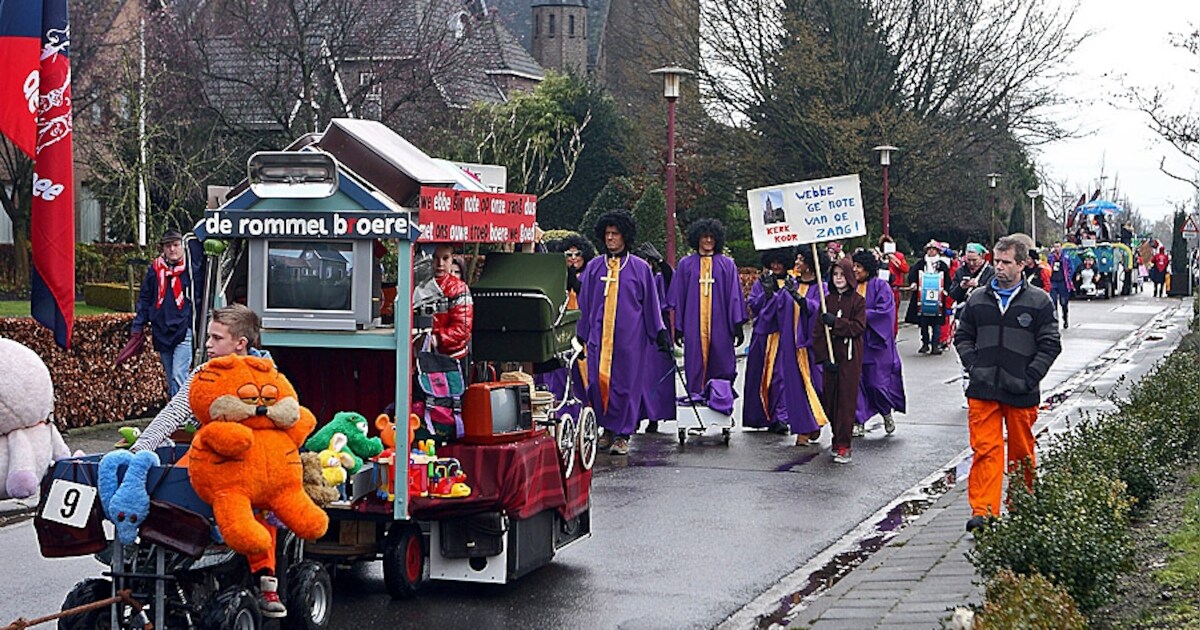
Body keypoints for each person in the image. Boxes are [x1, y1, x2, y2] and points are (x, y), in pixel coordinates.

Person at [129, 304, 287, 615]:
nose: (208, 346)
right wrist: (139, 451)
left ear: (240, 343)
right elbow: (173, 413)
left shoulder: (268, 378)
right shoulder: (204, 374)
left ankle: (266, 582)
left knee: (260, 512)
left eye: (216, 339)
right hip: (208, 453)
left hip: (251, 462)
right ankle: (162, 556)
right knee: (168, 485)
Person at [954, 235, 1061, 533]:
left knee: (1021, 452)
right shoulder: (978, 298)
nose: (999, 267)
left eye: (1005, 262)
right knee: (985, 450)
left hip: (1020, 390)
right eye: (996, 261)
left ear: (1022, 264)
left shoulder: (1038, 301)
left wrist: (1031, 376)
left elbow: (1050, 344)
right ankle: (984, 512)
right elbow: (962, 336)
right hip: (983, 388)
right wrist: (974, 366)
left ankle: (1022, 505)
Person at [576, 210, 669, 456]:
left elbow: (651, 303)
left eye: (615, 234)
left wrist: (658, 332)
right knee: (597, 383)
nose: (610, 238)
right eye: (606, 234)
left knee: (626, 387)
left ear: (625, 236)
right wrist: (580, 334)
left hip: (630, 340)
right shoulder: (594, 267)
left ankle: (623, 434)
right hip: (598, 338)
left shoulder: (640, 268)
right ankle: (606, 429)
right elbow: (584, 304)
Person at [743, 248, 828, 441]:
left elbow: (819, 310)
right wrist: (768, 294)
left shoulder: (812, 285)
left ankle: (806, 420)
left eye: (780, 262)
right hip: (771, 338)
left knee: (802, 381)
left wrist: (798, 298)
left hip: (800, 342)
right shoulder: (776, 282)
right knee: (774, 378)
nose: (775, 266)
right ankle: (779, 418)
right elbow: (765, 310)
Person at [668, 219, 747, 401]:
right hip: (693, 324)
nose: (708, 241)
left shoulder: (727, 265)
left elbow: (734, 295)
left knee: (722, 363)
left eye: (712, 237)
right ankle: (696, 400)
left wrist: (737, 325)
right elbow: (679, 297)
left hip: (720, 325)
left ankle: (720, 399)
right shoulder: (686, 265)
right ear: (697, 238)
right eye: (704, 237)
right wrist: (678, 327)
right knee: (694, 363)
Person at [131, 229, 203, 397]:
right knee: (171, 376)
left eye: (176, 245)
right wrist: (138, 325)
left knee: (179, 374)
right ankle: (174, 414)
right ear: (163, 248)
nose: (172, 249)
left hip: (183, 328)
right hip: (161, 329)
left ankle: (182, 418)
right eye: (168, 246)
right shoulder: (155, 270)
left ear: (182, 246)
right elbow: (145, 298)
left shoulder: (191, 269)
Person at [813, 258, 866, 463]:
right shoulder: (827, 301)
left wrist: (836, 323)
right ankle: (836, 439)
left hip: (849, 357)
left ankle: (844, 444)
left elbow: (858, 327)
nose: (838, 279)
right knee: (831, 399)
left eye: (842, 275)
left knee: (845, 400)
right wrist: (824, 358)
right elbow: (818, 333)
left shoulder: (858, 301)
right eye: (835, 275)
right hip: (831, 357)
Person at [851, 250, 905, 437]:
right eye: (854, 266)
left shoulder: (881, 286)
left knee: (876, 383)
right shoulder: (849, 287)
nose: (855, 270)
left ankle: (885, 411)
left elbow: (885, 313)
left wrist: (859, 317)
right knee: (855, 383)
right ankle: (858, 420)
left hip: (876, 343)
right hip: (854, 341)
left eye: (859, 266)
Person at [635, 242, 676, 434]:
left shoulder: (658, 279)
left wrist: (662, 263)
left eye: (649, 262)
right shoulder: (632, 279)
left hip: (658, 335)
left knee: (654, 378)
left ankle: (654, 417)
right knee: (634, 379)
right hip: (636, 333)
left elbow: (672, 283)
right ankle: (633, 417)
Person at [905, 240, 953, 355]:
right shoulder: (921, 264)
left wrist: (946, 290)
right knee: (924, 323)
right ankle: (925, 344)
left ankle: (935, 345)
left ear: (937, 251)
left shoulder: (942, 265)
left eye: (934, 249)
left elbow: (947, 280)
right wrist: (913, 283)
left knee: (937, 323)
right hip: (922, 298)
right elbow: (912, 275)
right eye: (929, 249)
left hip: (938, 298)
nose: (931, 251)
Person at [430, 244, 473, 361]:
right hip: (425, 354)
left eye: (445, 258)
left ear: (452, 258)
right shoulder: (416, 284)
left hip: (453, 358)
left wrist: (437, 338)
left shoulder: (459, 288)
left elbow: (462, 328)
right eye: (435, 257)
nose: (440, 264)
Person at [878, 235, 909, 334]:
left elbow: (905, 269)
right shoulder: (878, 256)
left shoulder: (898, 256)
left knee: (893, 314)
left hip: (894, 288)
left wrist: (895, 260)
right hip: (880, 288)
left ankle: (892, 335)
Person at [1046, 243, 1074, 327]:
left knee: (1064, 302)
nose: (1056, 249)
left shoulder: (1066, 258)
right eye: (1055, 247)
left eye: (1058, 247)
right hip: (1053, 282)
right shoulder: (1050, 258)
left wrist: (1068, 277)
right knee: (1053, 302)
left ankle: (1065, 318)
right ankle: (1055, 321)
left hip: (1063, 282)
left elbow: (1071, 268)